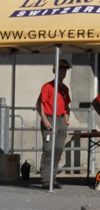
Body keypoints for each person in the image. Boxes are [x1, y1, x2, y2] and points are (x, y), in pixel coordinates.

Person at [37, 58, 71, 189]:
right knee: (48, 150)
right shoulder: (48, 86)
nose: (63, 72)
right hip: (50, 118)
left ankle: (53, 177)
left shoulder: (64, 88)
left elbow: (67, 105)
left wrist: (66, 119)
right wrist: (45, 120)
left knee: (58, 150)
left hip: (61, 119)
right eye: (61, 69)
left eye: (65, 70)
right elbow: (39, 104)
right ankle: (46, 179)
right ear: (55, 70)